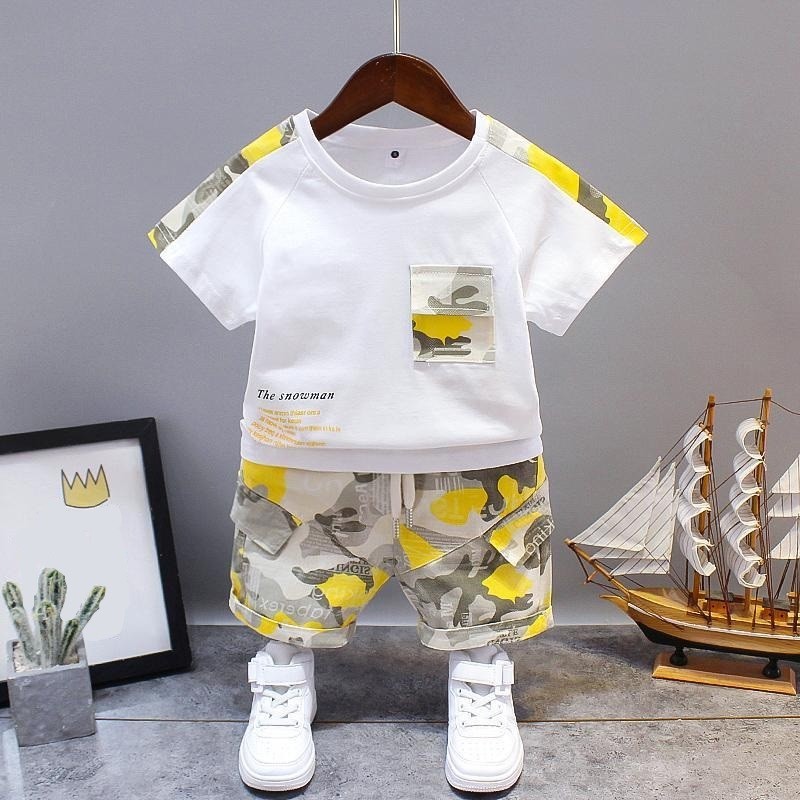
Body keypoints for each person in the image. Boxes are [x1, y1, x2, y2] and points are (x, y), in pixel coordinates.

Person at [230, 456, 554, 793]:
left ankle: (480, 669)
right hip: (311, 458)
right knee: (288, 598)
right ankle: (284, 667)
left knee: (481, 604)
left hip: (471, 456)